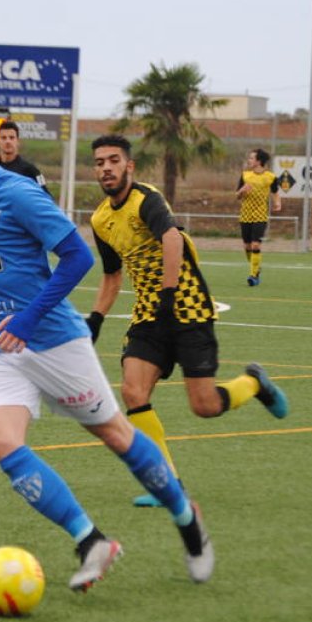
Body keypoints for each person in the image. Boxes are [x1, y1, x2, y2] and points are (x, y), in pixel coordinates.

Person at [0, 106, 213, 590]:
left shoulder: (21, 194)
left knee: (114, 434)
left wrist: (27, 319)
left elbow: (76, 258)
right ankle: (91, 541)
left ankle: (186, 517)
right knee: (1, 440)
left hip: (52, 342)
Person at [84, 134, 290, 508]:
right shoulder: (100, 219)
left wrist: (167, 295)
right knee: (133, 392)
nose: (106, 168)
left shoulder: (146, 199)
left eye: (114, 160)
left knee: (205, 405)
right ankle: (168, 486)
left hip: (188, 307)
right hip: (148, 315)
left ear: (129, 166)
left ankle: (253, 384)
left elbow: (172, 239)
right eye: (100, 162)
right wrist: (96, 318)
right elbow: (112, 275)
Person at [235, 148, 283, 286]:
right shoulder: (245, 176)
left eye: (251, 158)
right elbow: (237, 196)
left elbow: (275, 192)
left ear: (259, 161)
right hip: (245, 215)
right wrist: (241, 191)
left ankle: (253, 276)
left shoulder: (271, 177)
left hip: (260, 216)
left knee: (256, 245)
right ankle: (256, 267)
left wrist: (277, 203)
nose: (249, 160)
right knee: (247, 246)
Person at [0, 120, 49, 194]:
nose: (8, 141)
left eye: (11, 137)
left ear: (18, 141)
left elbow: (46, 196)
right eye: (3, 138)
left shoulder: (31, 171)